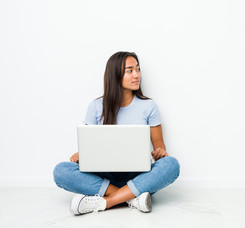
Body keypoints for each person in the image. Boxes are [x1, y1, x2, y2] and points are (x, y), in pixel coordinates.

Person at [53, 51, 180, 215]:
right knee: (61, 170)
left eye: (138, 69)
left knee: (171, 165)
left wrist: (160, 153)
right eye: (130, 70)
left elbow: (159, 146)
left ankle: (107, 201)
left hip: (137, 175)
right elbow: (89, 147)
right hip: (105, 175)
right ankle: (132, 198)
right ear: (115, 75)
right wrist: (80, 155)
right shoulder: (96, 106)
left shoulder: (149, 106)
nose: (137, 75)